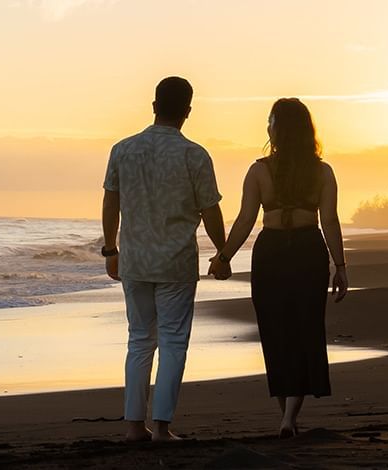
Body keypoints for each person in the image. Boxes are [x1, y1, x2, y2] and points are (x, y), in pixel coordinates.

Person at [101, 76, 231, 442]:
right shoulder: (194, 155)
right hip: (175, 262)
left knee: (139, 340)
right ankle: (161, 427)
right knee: (173, 342)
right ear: (188, 112)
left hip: (136, 261)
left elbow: (112, 202)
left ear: (154, 105)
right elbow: (210, 211)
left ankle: (132, 425)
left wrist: (110, 249)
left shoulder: (123, 149)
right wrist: (222, 254)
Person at [209, 98, 347, 438]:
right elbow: (328, 220)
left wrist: (224, 257)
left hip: (271, 252)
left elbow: (244, 220)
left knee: (276, 334)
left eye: (270, 121)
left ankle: (285, 415)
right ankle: (290, 418)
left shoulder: (259, 170)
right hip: (308, 250)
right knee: (306, 330)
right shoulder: (323, 171)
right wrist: (340, 265)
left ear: (276, 129)